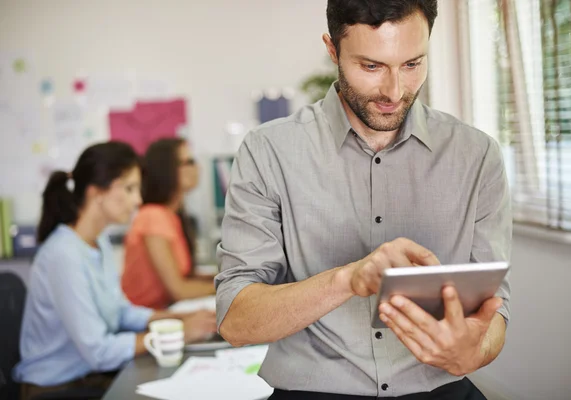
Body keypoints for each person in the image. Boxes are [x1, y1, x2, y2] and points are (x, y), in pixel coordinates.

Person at [215, 1, 511, 399]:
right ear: (333, 50)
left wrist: (473, 353)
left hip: (443, 389)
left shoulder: (477, 156)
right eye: (371, 66)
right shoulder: (268, 152)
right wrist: (347, 279)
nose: (394, 91)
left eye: (412, 64)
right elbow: (236, 321)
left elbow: (494, 311)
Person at [13, 142, 216, 400]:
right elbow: (99, 351)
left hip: (89, 377)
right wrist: (177, 333)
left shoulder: (99, 243)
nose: (138, 200)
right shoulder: (62, 255)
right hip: (56, 389)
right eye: (130, 188)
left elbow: (121, 312)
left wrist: (179, 319)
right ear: (97, 192)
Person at [122, 138, 215, 310]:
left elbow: (185, 276)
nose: (198, 168)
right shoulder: (153, 217)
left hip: (166, 311)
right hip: (149, 317)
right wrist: (228, 287)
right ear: (168, 170)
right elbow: (179, 290)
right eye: (190, 162)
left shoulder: (172, 216)